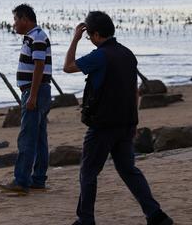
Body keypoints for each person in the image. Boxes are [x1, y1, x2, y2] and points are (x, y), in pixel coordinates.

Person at [63, 11, 173, 225]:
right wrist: (134, 120)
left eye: (88, 36)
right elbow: (135, 91)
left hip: (103, 124)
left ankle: (85, 219)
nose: (89, 40)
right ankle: (156, 215)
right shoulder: (128, 54)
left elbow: (68, 67)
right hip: (126, 121)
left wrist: (75, 39)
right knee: (128, 170)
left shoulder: (100, 56)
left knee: (88, 172)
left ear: (95, 34)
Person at [0, 4, 53, 195]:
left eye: (15, 19)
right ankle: (38, 179)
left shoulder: (36, 37)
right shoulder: (32, 37)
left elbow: (39, 66)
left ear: (25, 19)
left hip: (35, 91)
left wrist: (33, 95)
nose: (14, 24)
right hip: (38, 91)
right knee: (39, 137)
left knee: (27, 138)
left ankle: (21, 181)